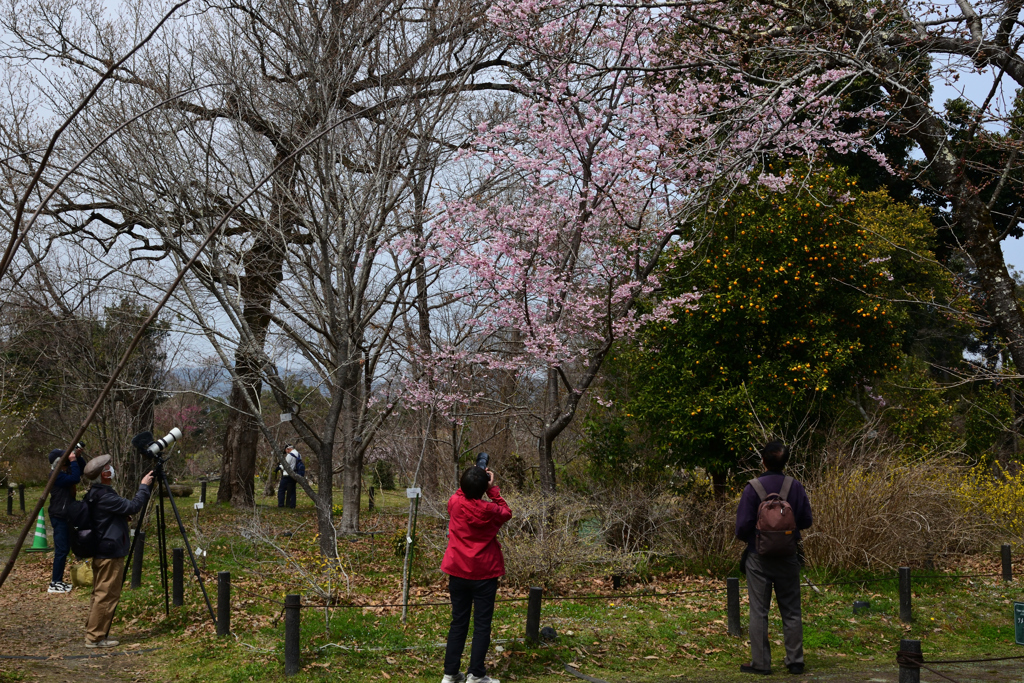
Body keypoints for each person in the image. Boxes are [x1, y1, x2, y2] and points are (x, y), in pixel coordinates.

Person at [735, 441, 813, 675]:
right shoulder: (795, 487)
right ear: (785, 462)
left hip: (758, 557)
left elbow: (741, 529)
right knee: (791, 609)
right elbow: (807, 521)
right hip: (788, 555)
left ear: (763, 461)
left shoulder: (752, 488)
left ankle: (761, 663)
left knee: (759, 610)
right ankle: (795, 661)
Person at [439, 465, 512, 683]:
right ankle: (476, 675)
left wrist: (474, 479)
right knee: (481, 625)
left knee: (458, 622)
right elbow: (507, 512)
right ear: (483, 488)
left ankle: (450, 674)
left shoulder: (455, 503)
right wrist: (492, 490)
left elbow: (461, 492)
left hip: (458, 571)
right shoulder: (490, 510)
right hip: (485, 573)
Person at [81, 454, 153, 649]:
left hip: (103, 549)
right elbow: (134, 506)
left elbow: (106, 516)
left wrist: (120, 518)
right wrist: (144, 486)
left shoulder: (95, 493)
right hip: (110, 552)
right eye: (109, 467)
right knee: (107, 594)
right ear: (104, 473)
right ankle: (95, 637)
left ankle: (93, 631)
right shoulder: (105, 495)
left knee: (100, 592)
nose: (112, 469)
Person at [46, 443, 84, 594]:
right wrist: (73, 461)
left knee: (65, 548)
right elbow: (75, 478)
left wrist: (78, 459)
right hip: (59, 516)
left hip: (65, 516)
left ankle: (58, 580)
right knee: (61, 550)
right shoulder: (56, 476)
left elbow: (80, 472)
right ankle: (55, 582)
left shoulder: (63, 472)